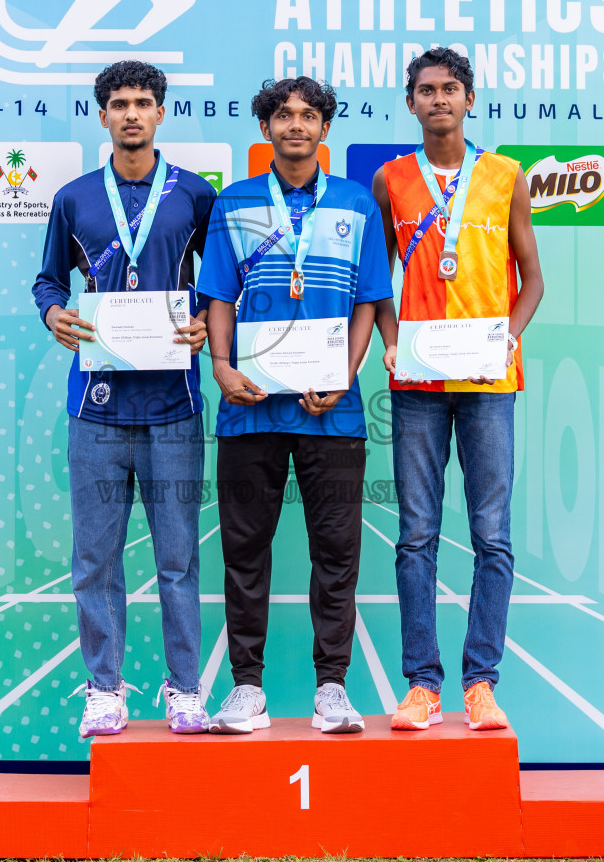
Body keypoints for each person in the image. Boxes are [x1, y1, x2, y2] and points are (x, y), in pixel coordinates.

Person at [196, 76, 393, 735]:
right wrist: (221, 367)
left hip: (330, 411)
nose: (296, 125)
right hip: (248, 406)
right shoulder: (235, 202)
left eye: (309, 115)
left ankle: (332, 688)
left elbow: (369, 300)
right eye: (283, 115)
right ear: (266, 127)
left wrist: (347, 371)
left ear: (326, 127)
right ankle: (246, 690)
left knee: (335, 551)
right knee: (245, 550)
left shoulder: (357, 204)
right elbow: (218, 296)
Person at [31, 60, 217, 736]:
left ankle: (186, 688)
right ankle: (104, 688)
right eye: (119, 103)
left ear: (162, 112)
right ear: (102, 116)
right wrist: (52, 314)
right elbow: (48, 282)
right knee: (95, 558)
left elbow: (220, 286)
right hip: (98, 409)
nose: (132, 113)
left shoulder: (196, 196)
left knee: (178, 557)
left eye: (143, 102)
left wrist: (205, 322)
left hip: (174, 407)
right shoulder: (75, 198)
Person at [371, 48, 545, 731]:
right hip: (417, 380)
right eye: (425, 90)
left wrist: (510, 334)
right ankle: (423, 685)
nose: (438, 99)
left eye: (450, 89)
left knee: (491, 536)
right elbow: (375, 280)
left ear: (470, 99)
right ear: (409, 103)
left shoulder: (505, 176)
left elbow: (532, 278)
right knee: (416, 536)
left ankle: (481, 684)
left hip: (488, 378)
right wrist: (388, 337)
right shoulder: (391, 180)